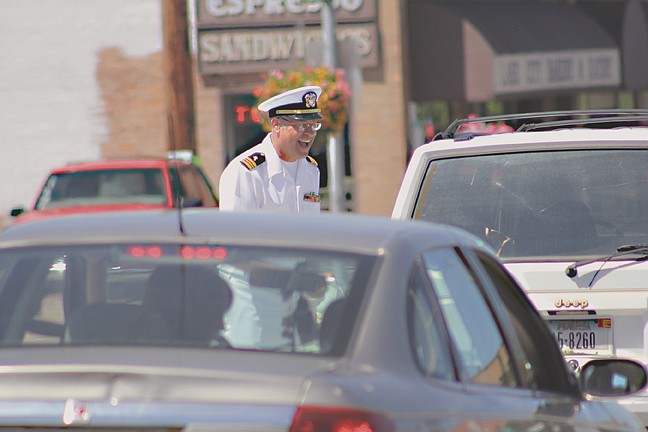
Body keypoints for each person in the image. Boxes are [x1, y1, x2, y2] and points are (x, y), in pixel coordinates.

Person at [219, 85, 323, 213]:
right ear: (276, 125)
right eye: (301, 125)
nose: (310, 133)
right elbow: (235, 231)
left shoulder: (311, 171)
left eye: (313, 125)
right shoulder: (246, 172)